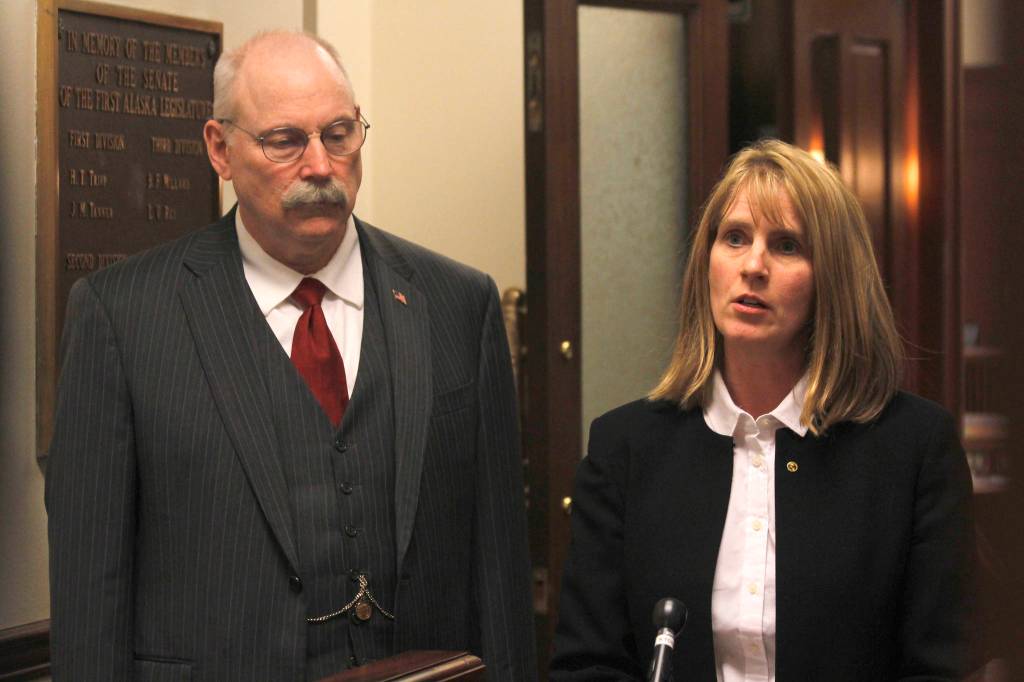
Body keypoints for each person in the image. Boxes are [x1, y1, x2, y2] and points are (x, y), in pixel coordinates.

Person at [46, 31, 535, 681]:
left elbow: (499, 567)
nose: (320, 165)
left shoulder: (457, 303)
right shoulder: (124, 317)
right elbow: (90, 592)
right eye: (285, 141)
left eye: (339, 134)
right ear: (220, 149)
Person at [549, 139, 974, 680]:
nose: (753, 265)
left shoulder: (914, 448)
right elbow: (588, 665)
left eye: (787, 245)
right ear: (707, 262)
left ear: (834, 279)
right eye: (735, 238)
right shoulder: (625, 448)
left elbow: (941, 668)